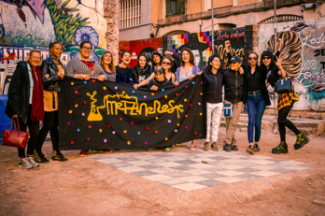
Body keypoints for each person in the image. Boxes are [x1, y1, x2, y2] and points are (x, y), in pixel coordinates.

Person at [262, 39, 309, 154]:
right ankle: (283, 144)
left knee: (282, 119)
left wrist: (281, 68)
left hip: (287, 94)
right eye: (264, 58)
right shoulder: (267, 69)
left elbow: (283, 76)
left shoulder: (275, 67)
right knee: (280, 120)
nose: (266, 59)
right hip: (281, 95)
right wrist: (280, 45)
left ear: (270, 59)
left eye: (268, 57)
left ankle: (300, 136)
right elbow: (277, 53)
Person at [66, 40, 107, 157]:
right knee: (83, 122)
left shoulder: (94, 61)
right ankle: (85, 146)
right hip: (80, 96)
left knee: (97, 121)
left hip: (94, 96)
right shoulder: (74, 62)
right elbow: (66, 75)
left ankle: (99, 144)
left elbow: (103, 73)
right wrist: (78, 76)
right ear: (80, 48)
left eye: (89, 48)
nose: (87, 50)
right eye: (85, 47)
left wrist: (102, 76)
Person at [5, 49, 44, 168]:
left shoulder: (38, 71)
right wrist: (16, 111)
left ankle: (30, 156)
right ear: (29, 58)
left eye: (39, 57)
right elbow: (14, 91)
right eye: (34, 57)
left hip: (34, 108)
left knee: (35, 133)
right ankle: (22, 158)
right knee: (21, 134)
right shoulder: (22, 69)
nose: (36, 59)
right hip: (22, 107)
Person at [34, 41, 68, 163]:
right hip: (48, 97)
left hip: (58, 97)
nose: (59, 51)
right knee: (48, 125)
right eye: (57, 49)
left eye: (60, 49)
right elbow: (43, 81)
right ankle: (36, 151)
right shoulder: (46, 63)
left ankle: (56, 152)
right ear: (51, 50)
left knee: (55, 126)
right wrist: (57, 76)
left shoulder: (60, 63)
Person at [175, 48, 201, 151]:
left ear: (190, 56)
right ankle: (181, 138)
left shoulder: (195, 68)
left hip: (192, 97)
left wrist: (194, 77)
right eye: (183, 54)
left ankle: (193, 141)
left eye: (187, 54)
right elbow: (176, 82)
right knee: (180, 118)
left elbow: (199, 81)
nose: (185, 56)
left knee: (192, 119)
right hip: (181, 97)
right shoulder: (178, 69)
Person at [202, 54, 224, 151]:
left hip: (219, 102)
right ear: (210, 63)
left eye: (219, 61)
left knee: (216, 123)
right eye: (215, 61)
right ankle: (206, 141)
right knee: (207, 123)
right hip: (208, 101)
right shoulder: (205, 74)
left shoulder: (222, 74)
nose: (217, 63)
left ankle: (214, 142)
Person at [222, 55, 244, 152]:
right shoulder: (226, 73)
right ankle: (233, 142)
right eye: (231, 63)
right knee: (228, 122)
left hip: (238, 101)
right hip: (228, 100)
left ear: (239, 64)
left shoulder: (242, 73)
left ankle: (226, 142)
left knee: (233, 123)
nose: (232, 65)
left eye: (235, 63)